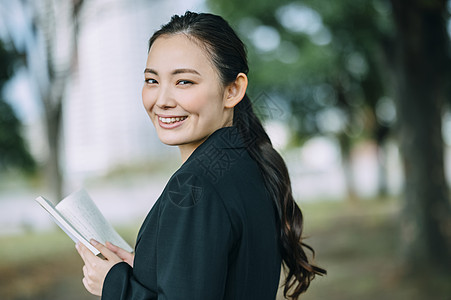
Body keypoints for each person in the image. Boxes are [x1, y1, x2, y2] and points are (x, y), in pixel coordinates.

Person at [76, 11, 326, 300]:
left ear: (233, 90)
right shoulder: (250, 163)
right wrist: (149, 268)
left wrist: (114, 285)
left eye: (184, 82)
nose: (163, 100)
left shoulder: (194, 186)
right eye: (152, 81)